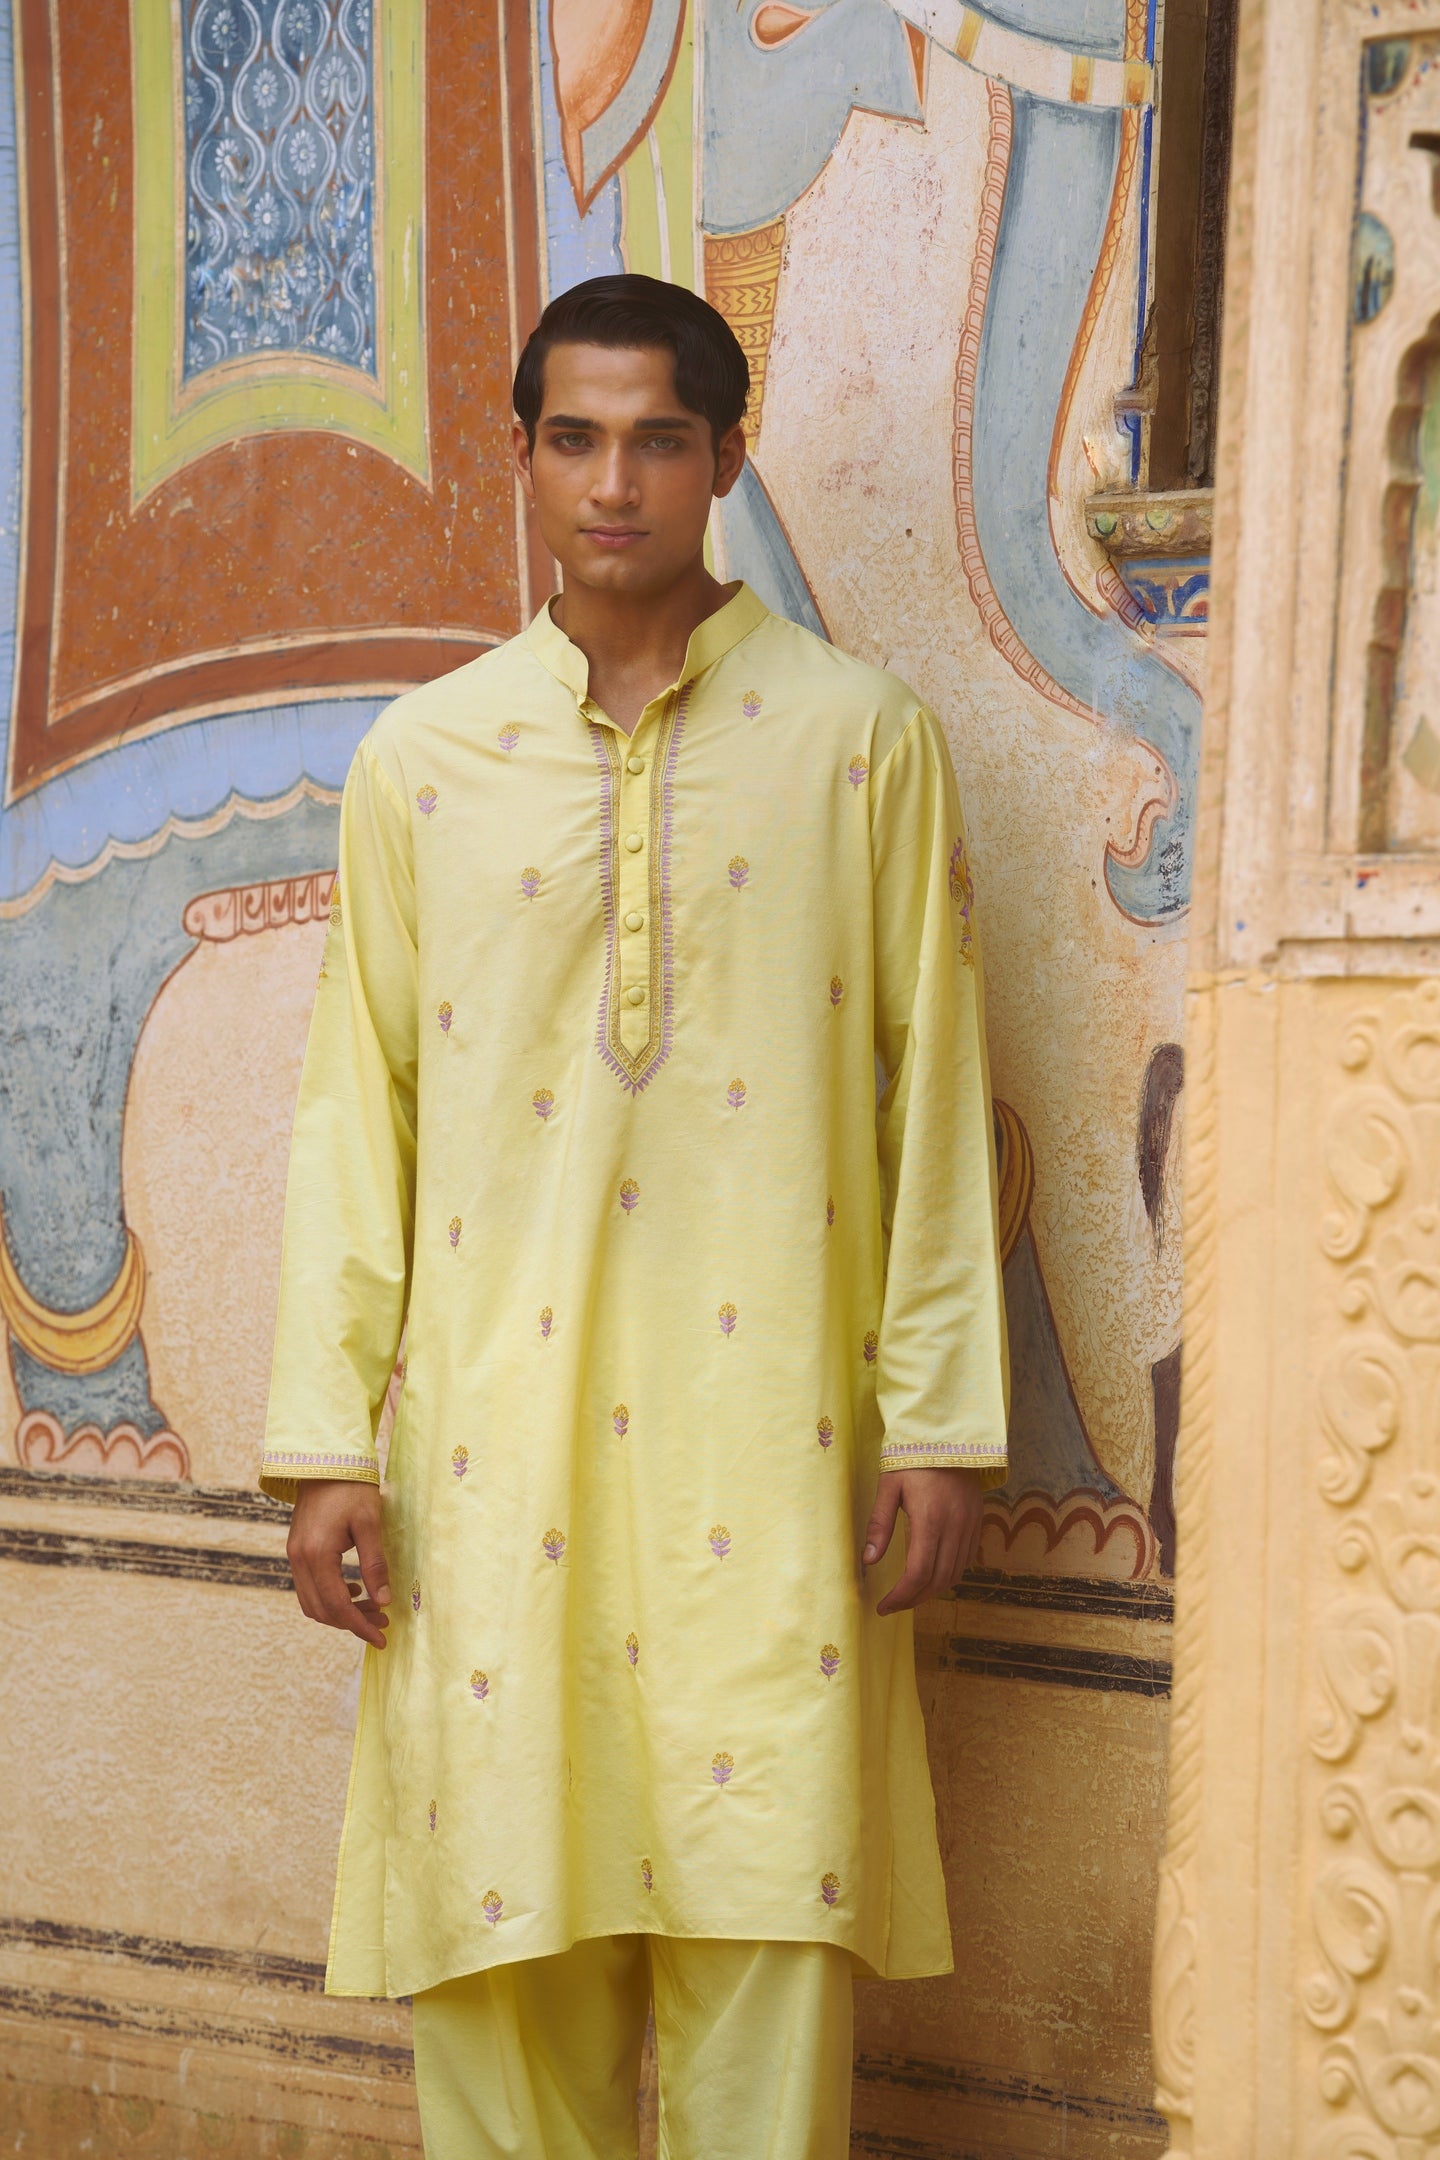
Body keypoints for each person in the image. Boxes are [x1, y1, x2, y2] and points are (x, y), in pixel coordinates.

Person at [263, 273, 1009, 2159]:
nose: (616, 485)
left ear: (726, 458)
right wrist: (326, 1445)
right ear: (520, 457)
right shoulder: (423, 762)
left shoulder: (861, 742)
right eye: (577, 440)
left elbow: (931, 1108)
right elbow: (359, 1113)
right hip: (490, 1461)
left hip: (779, 1456)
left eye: (660, 440)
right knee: (499, 1938)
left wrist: (937, 1422)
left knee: (768, 1924)